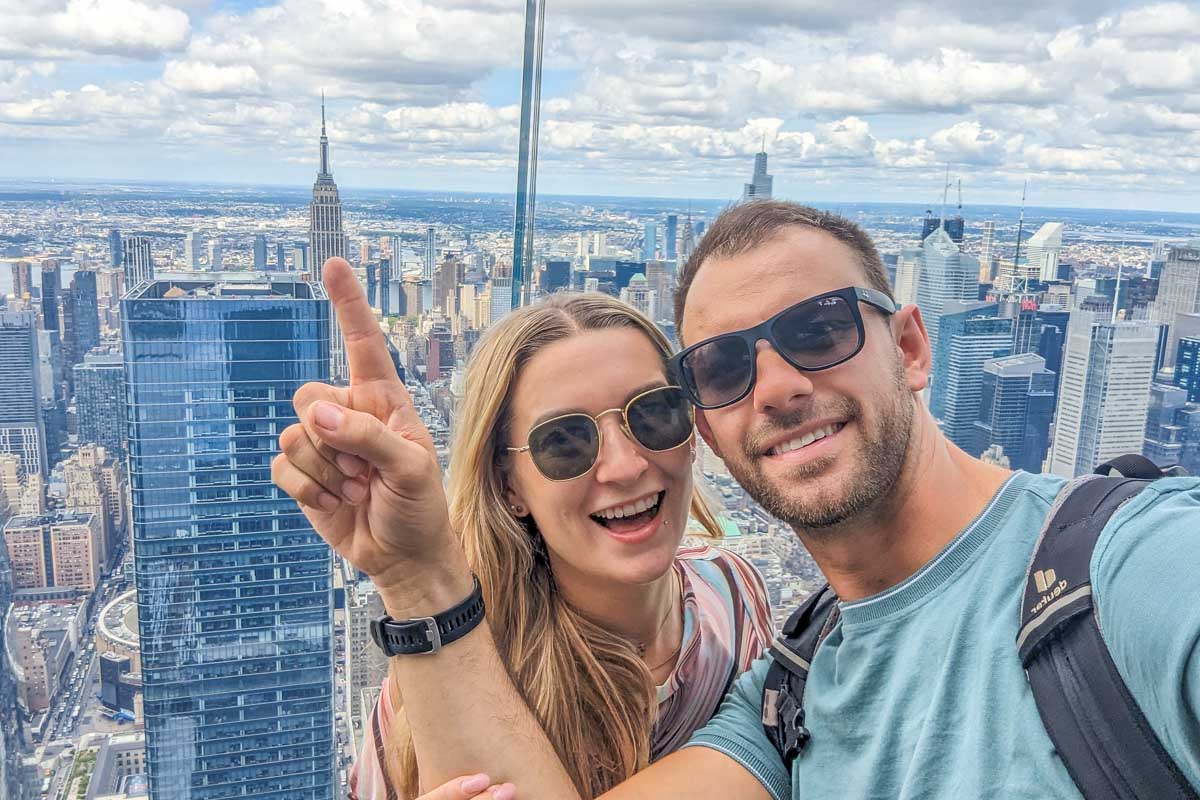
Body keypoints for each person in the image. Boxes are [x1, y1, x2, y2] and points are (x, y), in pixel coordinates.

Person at [281, 194, 1200, 800]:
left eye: (819, 328)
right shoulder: (794, 687)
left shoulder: (1120, 571)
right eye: (722, 365)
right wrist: (417, 571)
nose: (776, 387)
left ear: (912, 349)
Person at [270, 261, 774, 799]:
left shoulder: (736, 597)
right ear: (509, 487)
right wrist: (409, 573)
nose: (626, 466)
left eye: (653, 414)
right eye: (564, 442)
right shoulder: (443, 684)